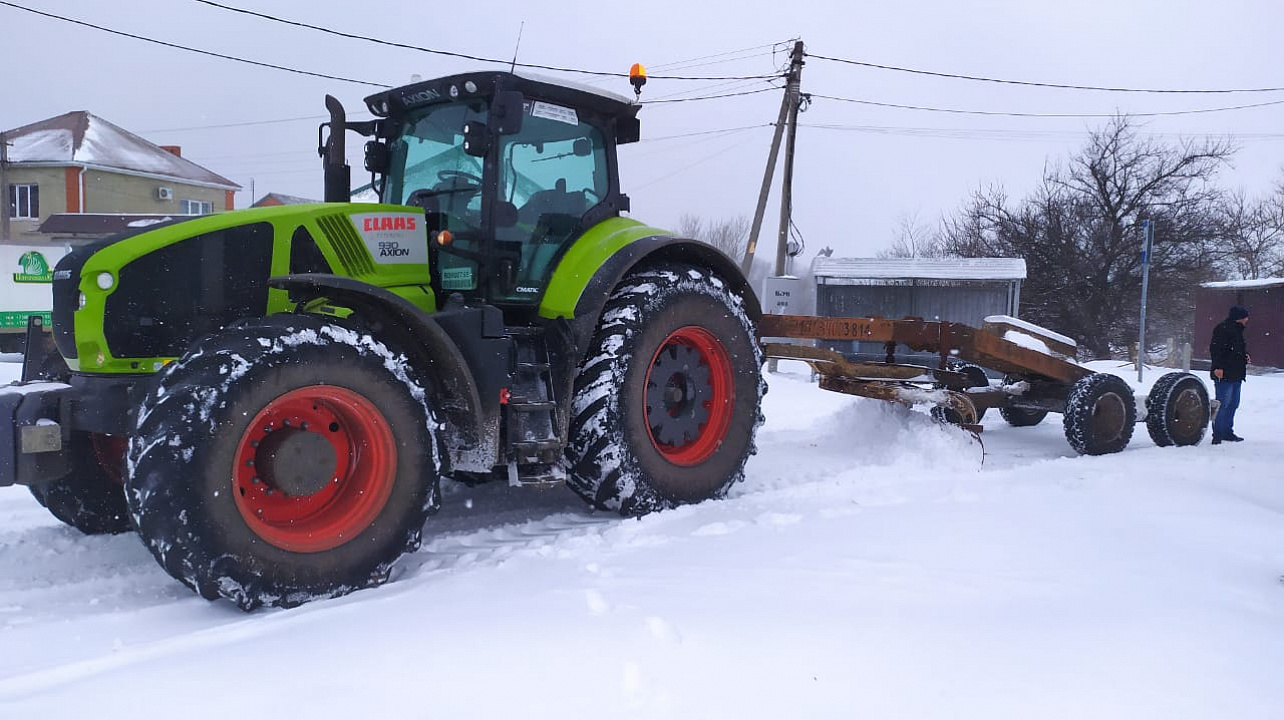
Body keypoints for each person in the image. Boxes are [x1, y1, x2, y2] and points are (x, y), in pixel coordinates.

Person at [1209, 305, 1251, 445]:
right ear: (1238, 317)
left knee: (1233, 403)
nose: (1247, 319)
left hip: (1236, 373)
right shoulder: (1223, 329)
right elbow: (1216, 349)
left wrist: (1245, 356)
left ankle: (1227, 431)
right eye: (1245, 317)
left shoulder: (1238, 331)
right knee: (1222, 404)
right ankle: (1218, 433)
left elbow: (1236, 350)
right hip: (1224, 373)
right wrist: (1218, 367)